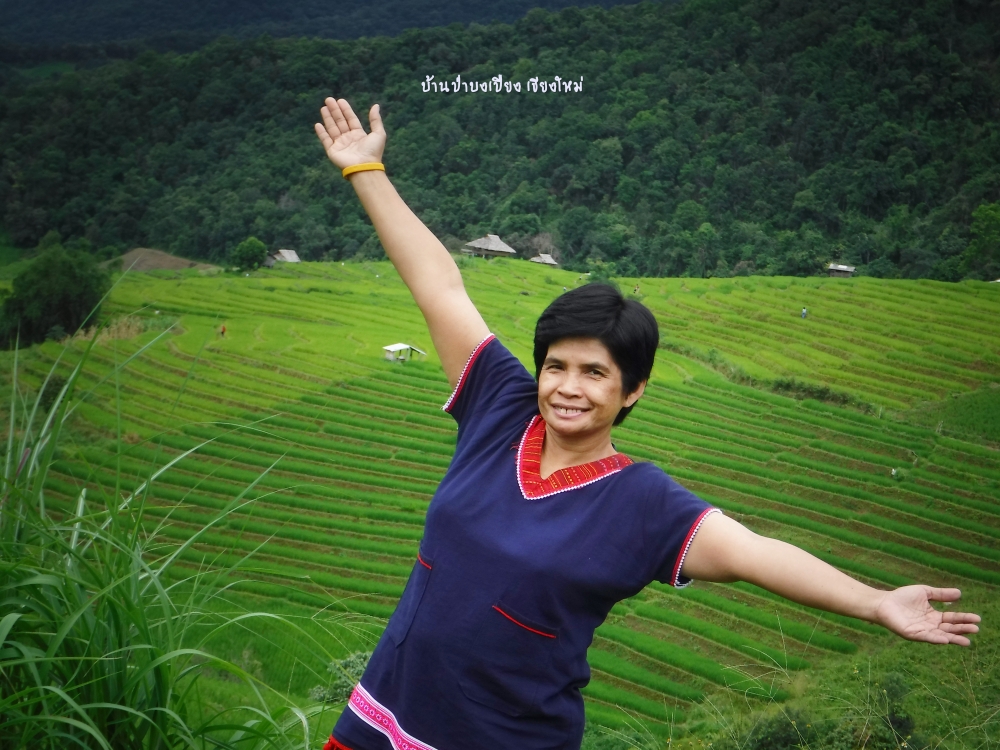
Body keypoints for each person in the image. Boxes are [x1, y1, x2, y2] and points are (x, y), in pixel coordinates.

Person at [314, 98, 981, 750]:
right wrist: (365, 171)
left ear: (633, 390)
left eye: (594, 373)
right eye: (556, 366)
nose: (567, 388)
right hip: (381, 715)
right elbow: (440, 285)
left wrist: (875, 602)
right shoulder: (499, 407)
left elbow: (757, 554)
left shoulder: (641, 502)